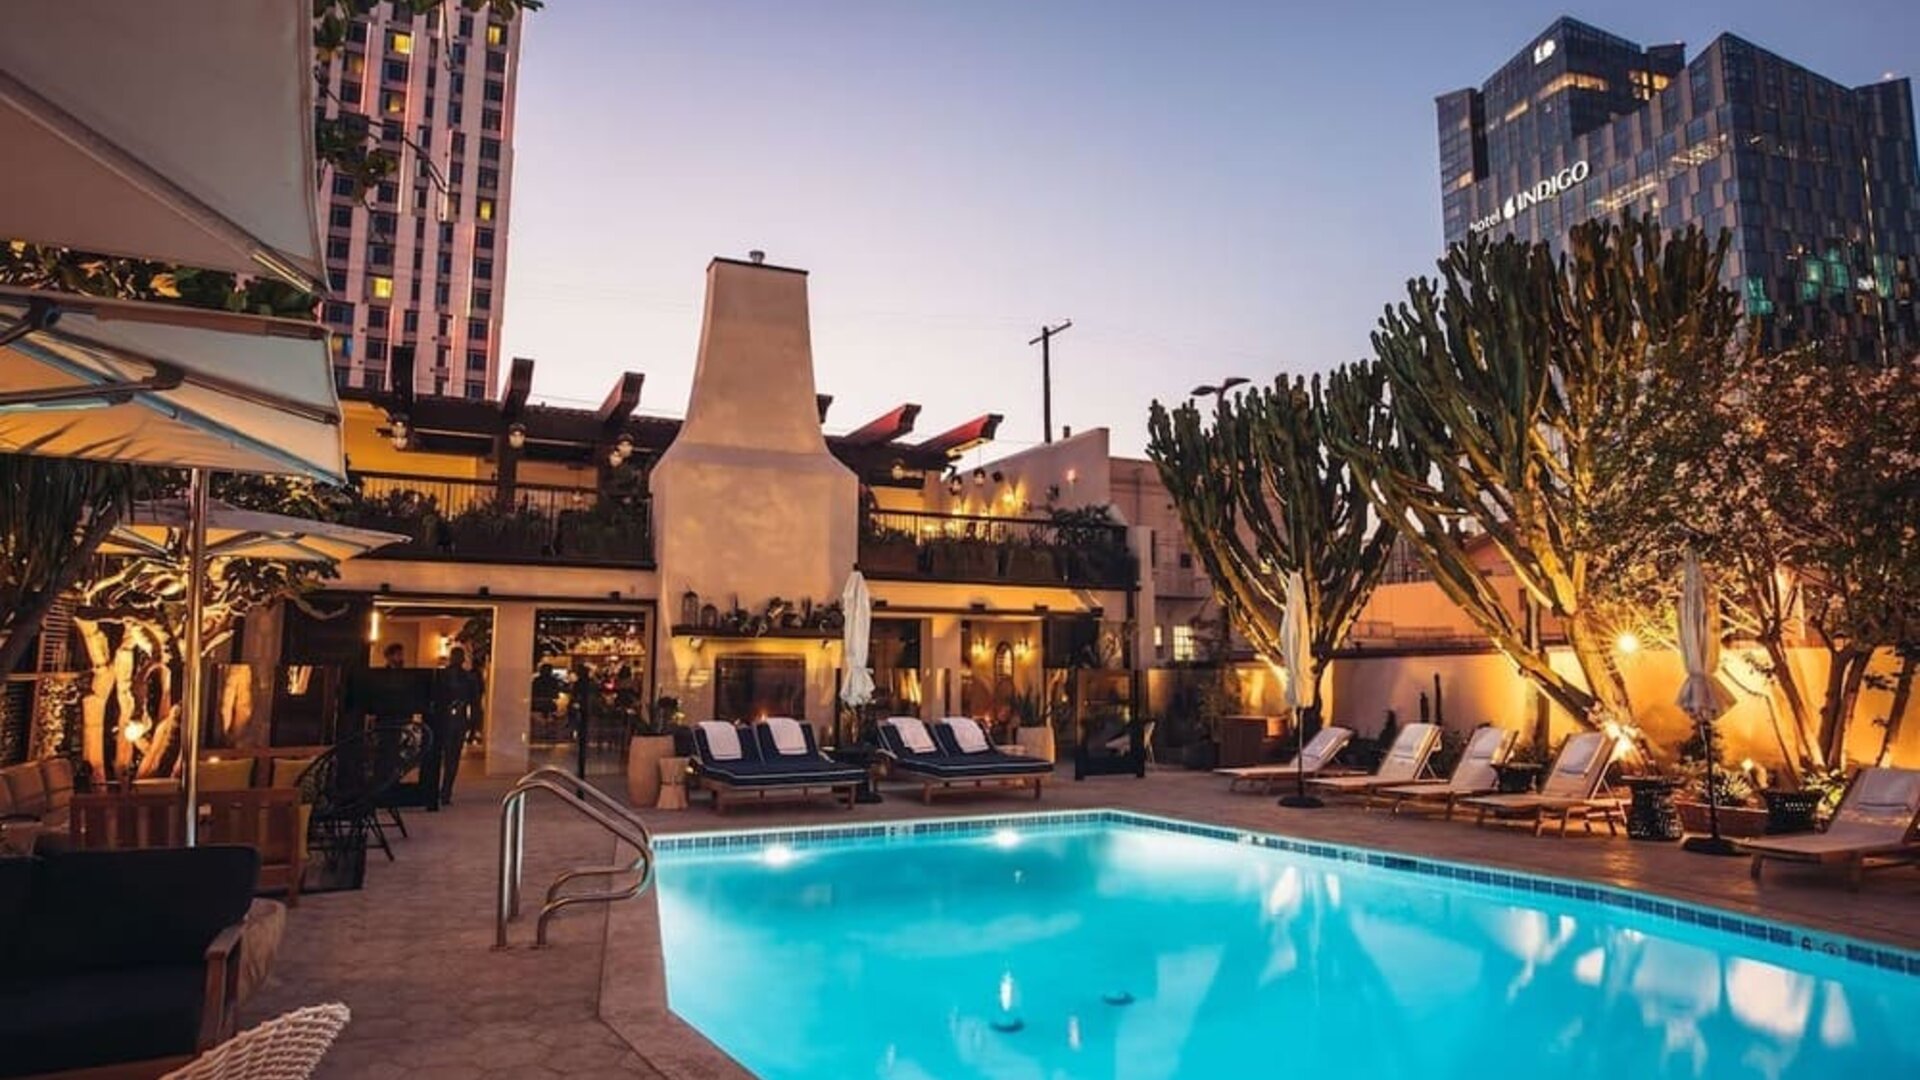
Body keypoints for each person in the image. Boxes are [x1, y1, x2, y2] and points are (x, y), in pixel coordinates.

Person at [427, 647, 478, 808]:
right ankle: (436, 791)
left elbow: (474, 703)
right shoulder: (441, 676)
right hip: (443, 719)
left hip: (458, 719)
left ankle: (446, 791)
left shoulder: (469, 678)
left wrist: (472, 725)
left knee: (452, 758)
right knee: (440, 756)